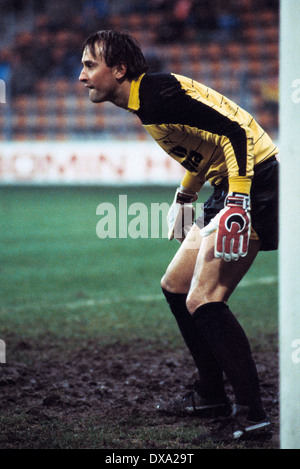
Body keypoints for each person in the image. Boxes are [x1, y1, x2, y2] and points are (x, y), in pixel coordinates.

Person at [79, 30, 278, 442]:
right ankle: (210, 395)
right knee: (176, 285)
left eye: (89, 65)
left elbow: (236, 134)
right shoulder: (148, 100)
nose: (81, 76)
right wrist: (184, 196)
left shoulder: (159, 96)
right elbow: (206, 145)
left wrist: (238, 203)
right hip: (229, 185)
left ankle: (253, 413)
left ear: (119, 70)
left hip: (254, 184)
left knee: (203, 299)